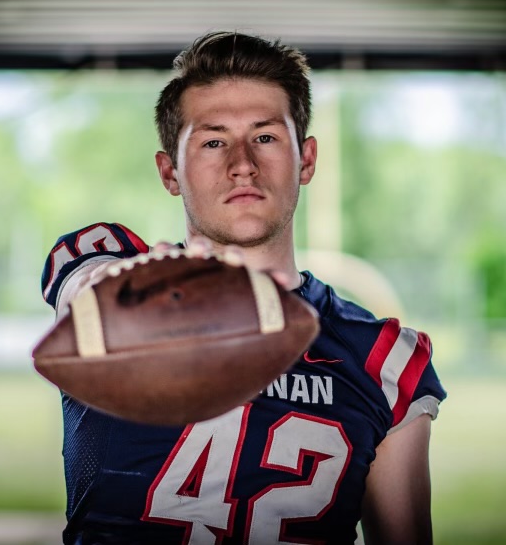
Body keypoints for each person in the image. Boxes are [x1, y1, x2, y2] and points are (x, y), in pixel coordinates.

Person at [39, 31, 447, 544]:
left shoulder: (383, 359)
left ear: (307, 160)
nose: (242, 164)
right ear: (169, 171)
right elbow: (87, 292)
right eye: (213, 141)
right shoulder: (110, 269)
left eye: (266, 137)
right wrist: (138, 300)